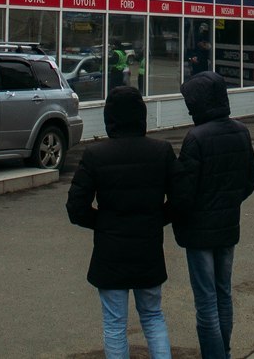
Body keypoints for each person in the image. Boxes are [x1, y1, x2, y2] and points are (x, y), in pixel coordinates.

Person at [67, 86, 180, 359]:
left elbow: (76, 208)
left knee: (115, 323)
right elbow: (180, 199)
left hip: (110, 251)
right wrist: (155, 220)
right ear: (141, 115)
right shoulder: (161, 151)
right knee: (153, 316)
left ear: (109, 118)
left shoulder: (96, 155)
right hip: (148, 247)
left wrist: (104, 223)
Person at [172, 71, 254, 359]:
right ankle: (225, 352)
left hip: (198, 230)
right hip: (228, 225)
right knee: (223, 293)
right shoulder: (240, 131)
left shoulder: (195, 137)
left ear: (199, 103)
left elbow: (183, 192)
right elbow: (249, 182)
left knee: (206, 300)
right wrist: (229, 202)